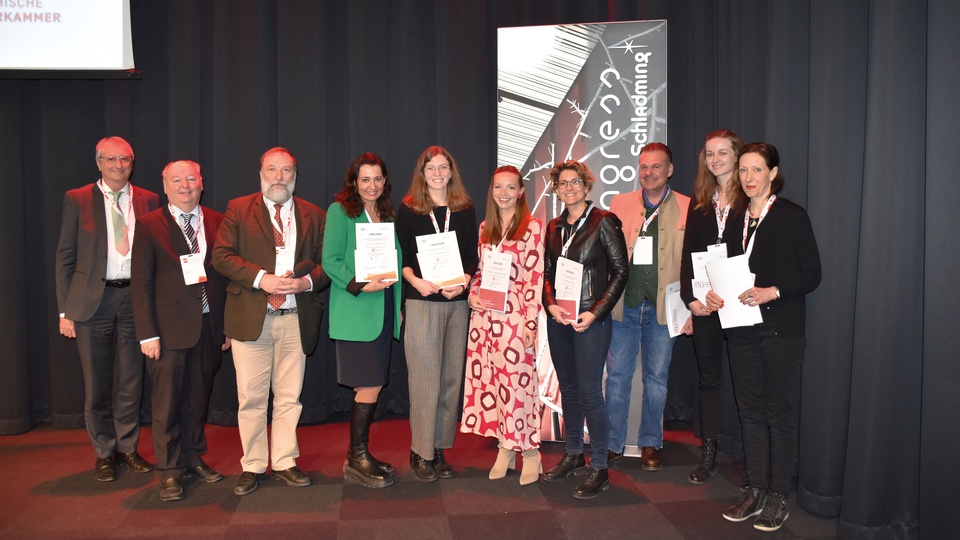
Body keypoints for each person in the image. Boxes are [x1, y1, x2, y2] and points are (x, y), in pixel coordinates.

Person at [212, 147, 330, 496]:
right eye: (272, 169)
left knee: (290, 396)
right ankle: (252, 465)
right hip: (251, 315)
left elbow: (327, 264)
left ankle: (284, 461)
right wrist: (260, 278)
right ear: (261, 173)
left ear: (296, 174)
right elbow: (221, 256)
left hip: (296, 316)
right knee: (250, 397)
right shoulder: (238, 208)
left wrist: (305, 283)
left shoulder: (314, 214)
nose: (279, 177)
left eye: (286, 170)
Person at [720, 143, 821, 532]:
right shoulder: (735, 218)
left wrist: (772, 290)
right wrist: (714, 291)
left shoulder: (792, 216)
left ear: (773, 173)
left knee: (779, 415)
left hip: (780, 330)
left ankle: (779, 495)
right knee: (750, 414)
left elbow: (812, 274)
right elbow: (725, 267)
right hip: (741, 328)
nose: (748, 178)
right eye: (743, 170)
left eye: (756, 170)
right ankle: (756, 488)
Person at [55, 136, 159, 482]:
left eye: (125, 159)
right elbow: (65, 258)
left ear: (133, 162)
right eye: (110, 159)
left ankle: (127, 447)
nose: (118, 165)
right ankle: (103, 451)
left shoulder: (149, 199)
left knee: (131, 380)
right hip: (91, 304)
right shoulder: (78, 198)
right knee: (97, 382)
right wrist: (64, 310)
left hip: (135, 300)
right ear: (98, 162)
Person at [130, 160, 229, 501]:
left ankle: (192, 457)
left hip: (208, 326)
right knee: (167, 403)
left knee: (197, 399)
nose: (185, 185)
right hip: (167, 331)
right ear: (165, 185)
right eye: (177, 180)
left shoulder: (217, 220)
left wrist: (226, 325)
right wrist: (147, 334)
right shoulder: (148, 225)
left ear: (201, 182)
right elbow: (140, 284)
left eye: (191, 179)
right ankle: (169, 470)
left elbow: (223, 278)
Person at [542, 160, 629, 499]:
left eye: (575, 181)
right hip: (559, 318)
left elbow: (621, 272)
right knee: (569, 388)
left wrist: (595, 313)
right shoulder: (554, 227)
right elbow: (547, 273)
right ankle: (574, 453)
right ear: (557, 188)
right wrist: (550, 305)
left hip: (590, 319)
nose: (569, 188)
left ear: (587, 184)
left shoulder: (604, 222)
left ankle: (600, 467)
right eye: (562, 183)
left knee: (591, 392)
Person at [605, 142, 692, 472]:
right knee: (617, 378)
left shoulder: (686, 206)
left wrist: (691, 311)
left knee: (656, 380)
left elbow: (694, 262)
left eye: (656, 166)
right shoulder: (619, 203)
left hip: (664, 310)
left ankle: (651, 443)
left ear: (669, 170)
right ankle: (613, 443)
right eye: (644, 167)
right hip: (624, 307)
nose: (649, 173)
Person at [396, 145, 478, 482]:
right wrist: (417, 281)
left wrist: (464, 283)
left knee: (450, 380)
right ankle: (420, 451)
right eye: (431, 168)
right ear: (422, 173)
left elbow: (473, 255)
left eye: (444, 167)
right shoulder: (409, 209)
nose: (438, 173)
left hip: (456, 302)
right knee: (424, 381)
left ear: (451, 172)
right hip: (422, 302)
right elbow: (401, 258)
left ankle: (440, 448)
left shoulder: (464, 209)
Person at [322, 152, 402, 489]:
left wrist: (395, 305)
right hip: (357, 308)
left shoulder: (384, 214)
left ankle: (358, 455)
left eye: (377, 178)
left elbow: (394, 261)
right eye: (365, 179)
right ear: (354, 182)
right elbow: (330, 260)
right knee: (368, 384)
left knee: (370, 383)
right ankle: (356, 458)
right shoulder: (341, 211)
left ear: (385, 182)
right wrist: (360, 283)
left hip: (382, 308)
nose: (372, 185)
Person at [462, 166, 545, 485]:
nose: (504, 193)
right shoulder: (486, 227)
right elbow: (482, 271)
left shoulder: (533, 227)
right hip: (485, 318)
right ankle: (504, 448)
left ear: (521, 192)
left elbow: (534, 276)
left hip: (515, 318)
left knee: (519, 387)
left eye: (511, 188)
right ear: (492, 190)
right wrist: (472, 294)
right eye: (499, 187)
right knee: (494, 384)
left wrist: (528, 321)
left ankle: (531, 453)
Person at [679, 130, 743, 484]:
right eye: (709, 154)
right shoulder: (701, 200)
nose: (715, 159)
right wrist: (691, 299)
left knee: (747, 381)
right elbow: (689, 252)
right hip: (705, 305)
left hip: (739, 304)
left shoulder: (750, 198)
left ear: (737, 155)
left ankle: (750, 456)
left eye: (722, 153)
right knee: (709, 381)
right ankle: (709, 452)